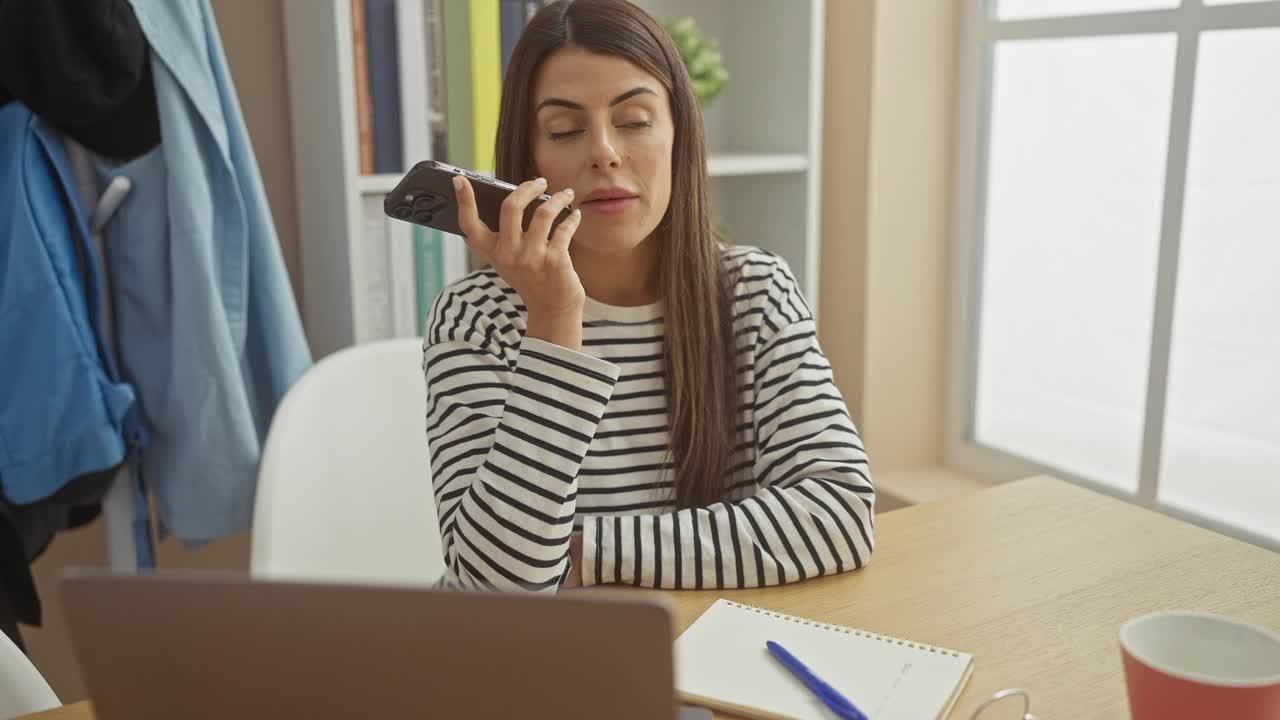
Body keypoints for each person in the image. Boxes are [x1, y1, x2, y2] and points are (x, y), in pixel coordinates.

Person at [423, 0, 873, 591]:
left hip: (708, 658)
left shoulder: (756, 295)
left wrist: (588, 553)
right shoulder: (476, 319)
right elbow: (496, 591)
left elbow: (840, 517)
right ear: (527, 155)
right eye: (564, 129)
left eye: (634, 120)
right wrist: (555, 320)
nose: (604, 151)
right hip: (543, 669)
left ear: (678, 135)